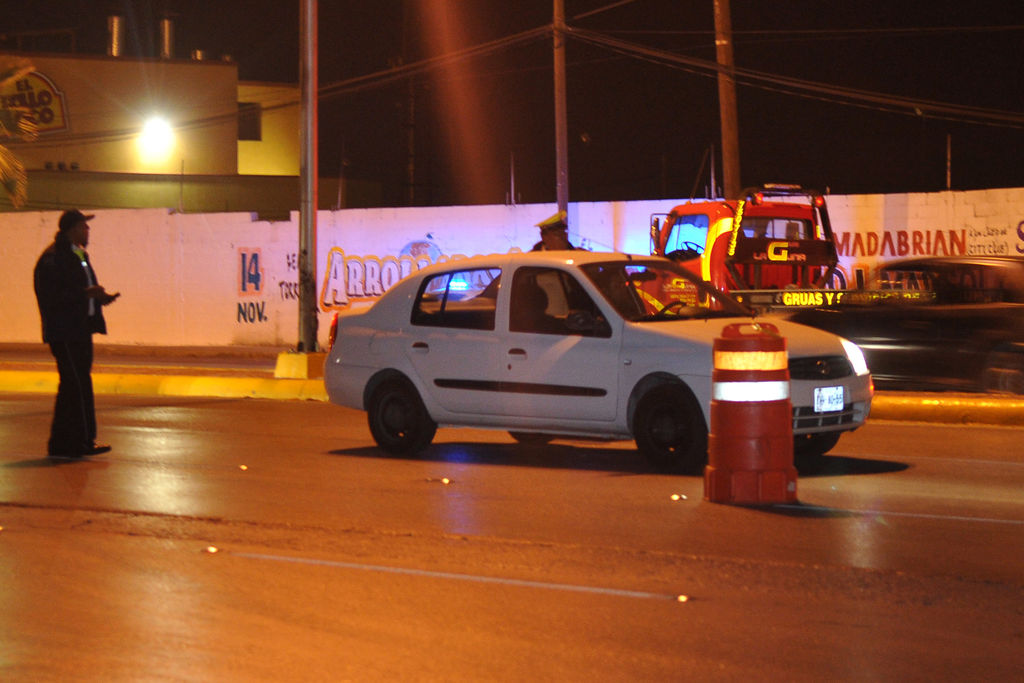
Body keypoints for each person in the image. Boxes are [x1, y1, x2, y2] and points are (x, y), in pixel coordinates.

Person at [33, 209, 120, 458]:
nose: (88, 230)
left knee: (78, 383)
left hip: (81, 328)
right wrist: (85, 294)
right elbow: (52, 296)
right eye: (84, 226)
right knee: (73, 384)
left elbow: (80, 288)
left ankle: (75, 442)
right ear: (72, 229)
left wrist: (100, 298)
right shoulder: (53, 258)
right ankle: (71, 443)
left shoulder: (78, 254)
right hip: (65, 332)